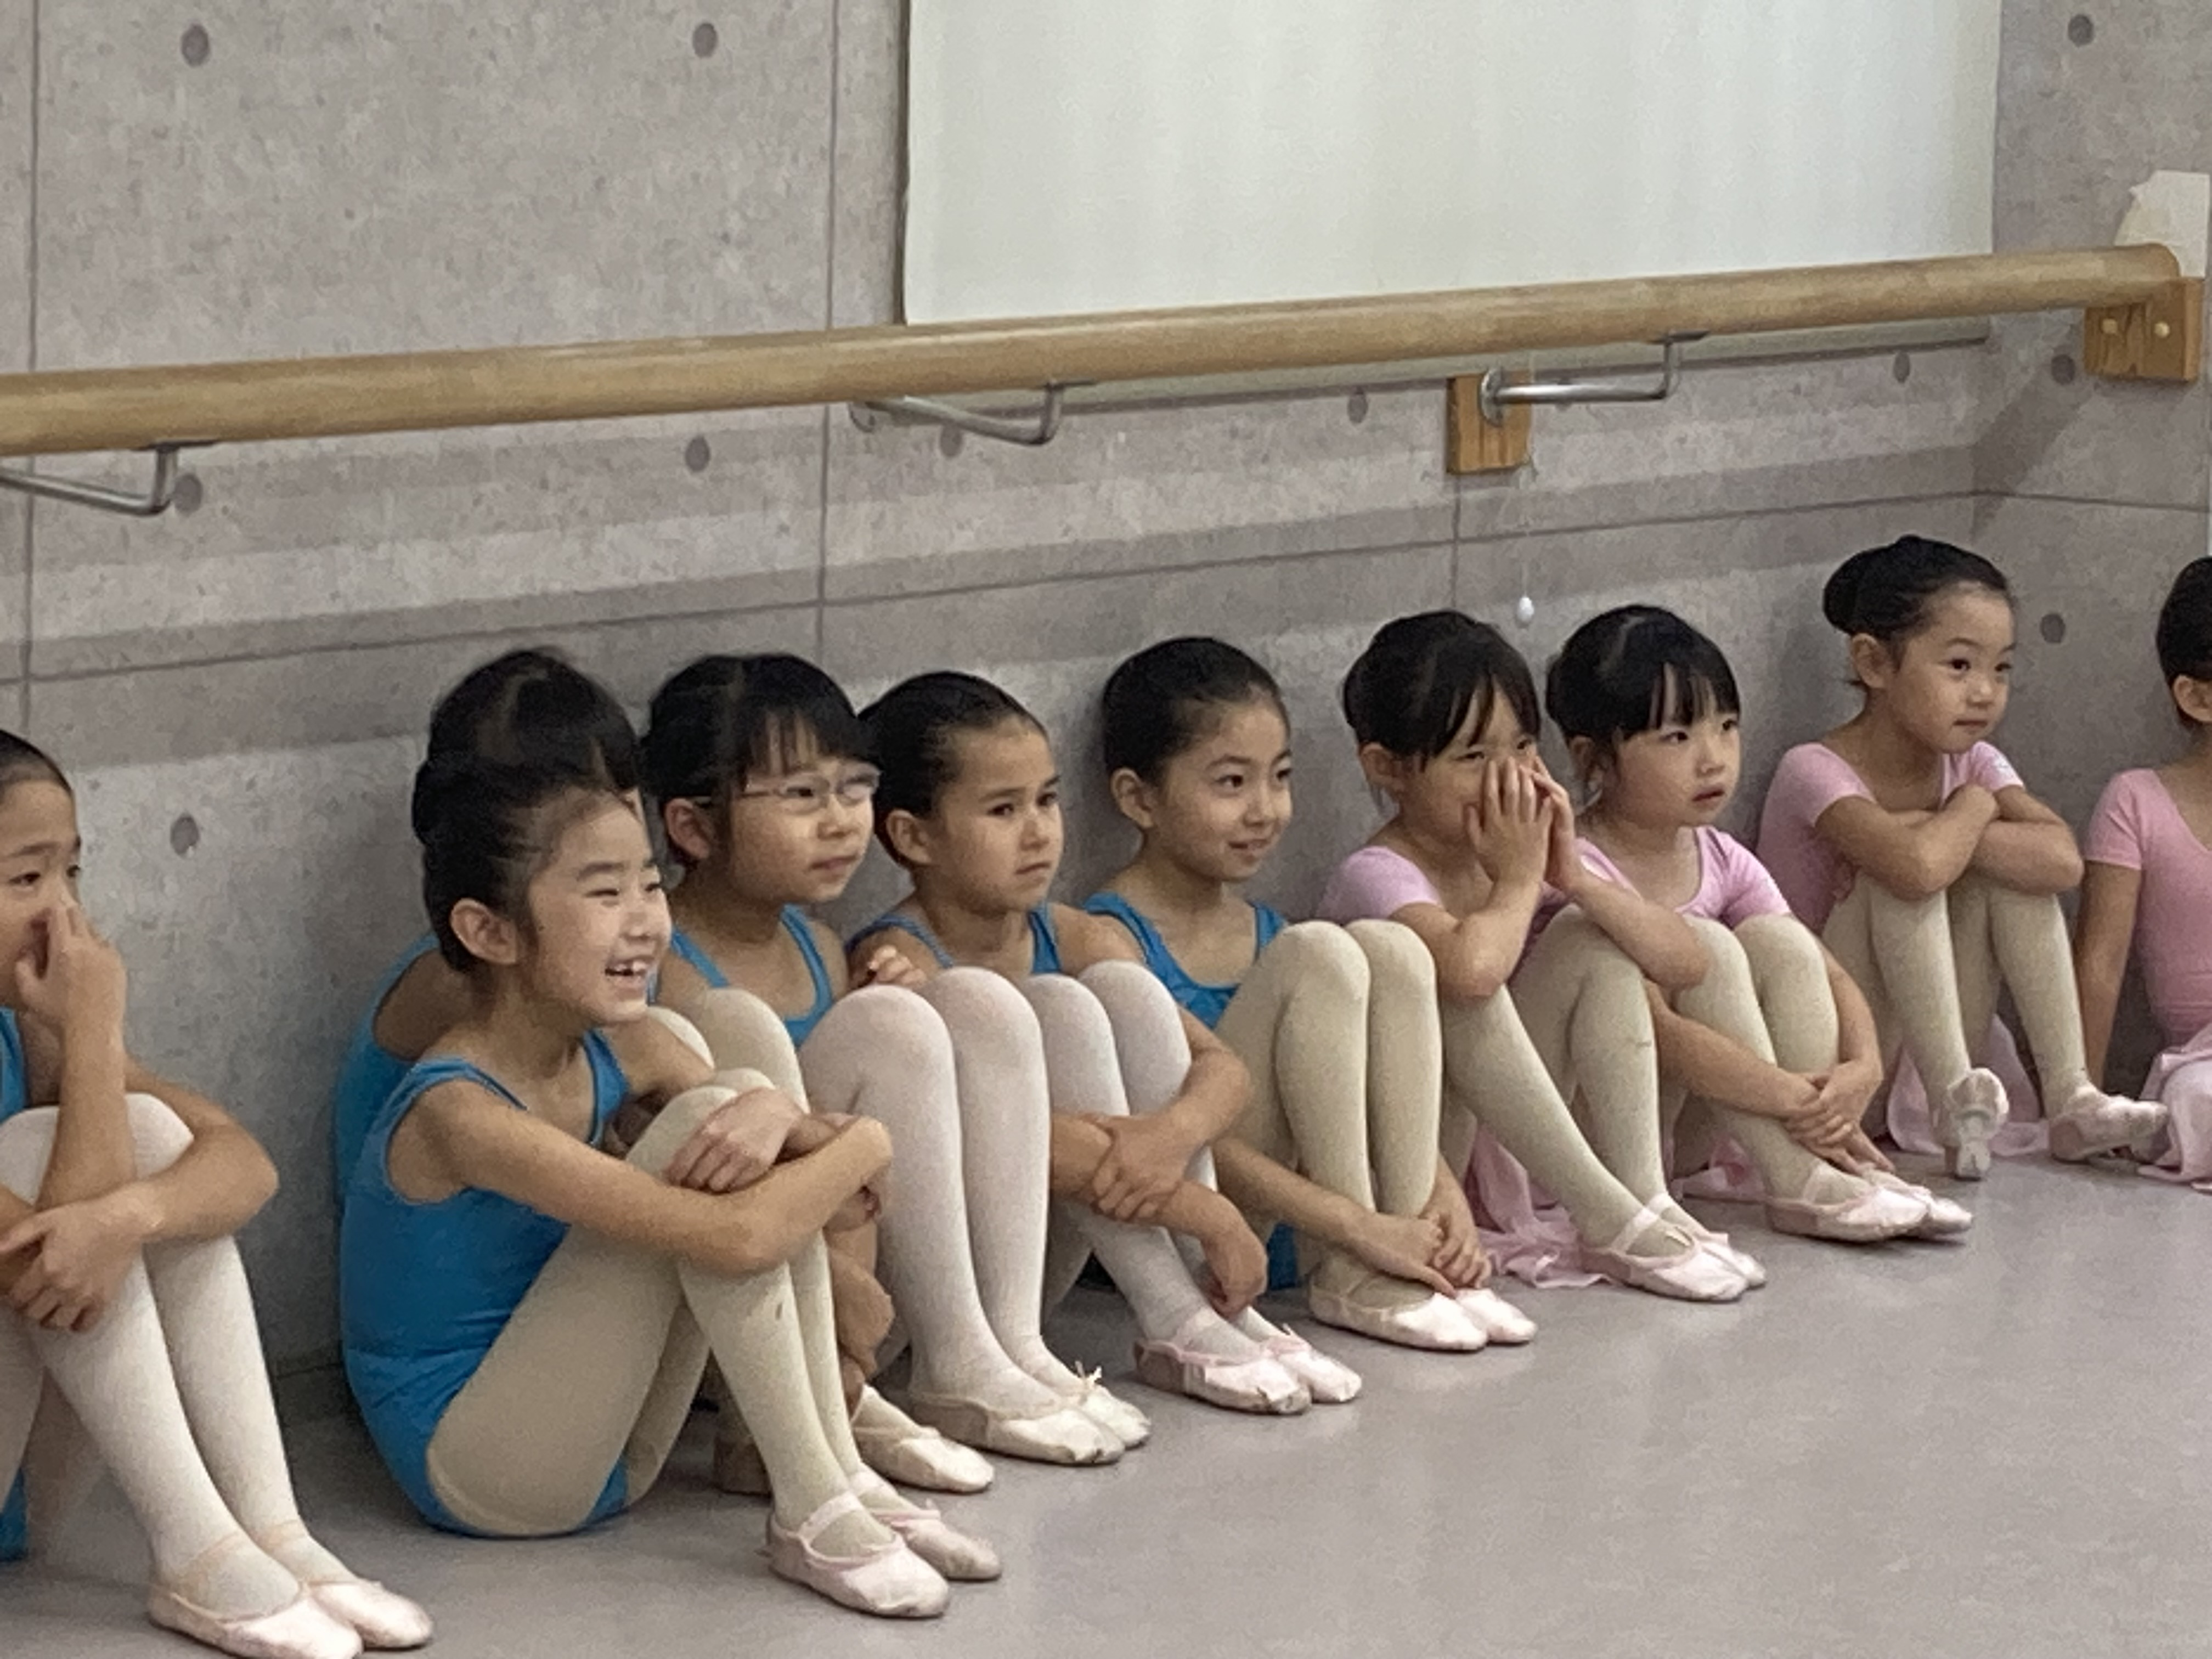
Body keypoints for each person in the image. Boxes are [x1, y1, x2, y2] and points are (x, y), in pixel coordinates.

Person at [340, 748, 992, 1618]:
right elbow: (742, 1236)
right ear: (490, 933)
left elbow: (829, 1192)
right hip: (487, 1474)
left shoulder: (631, 1043)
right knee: (713, 1122)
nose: (648, 922)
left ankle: (832, 1469)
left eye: (650, 886)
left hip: (618, 1444)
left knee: (734, 1081)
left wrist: (782, 1120)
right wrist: (865, 1139)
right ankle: (814, 1503)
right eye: (605, 893)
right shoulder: (458, 1112)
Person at [0, 730, 430, 1658]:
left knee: (153, 1138)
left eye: (72, 872)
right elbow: (49, 1268)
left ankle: (271, 1530)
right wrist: (93, 1030)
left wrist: (134, 1211)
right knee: (47, 1151)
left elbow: (243, 1165)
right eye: (25, 879)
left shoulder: (21, 1027)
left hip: (23, 1490)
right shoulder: (62, 1025)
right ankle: (195, 1547)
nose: (64, 913)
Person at [852, 669, 1359, 1412]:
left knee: (1116, 993)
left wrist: (1169, 1135)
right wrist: (1205, 1211)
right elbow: (1010, 1141)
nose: (1038, 832)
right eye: (1003, 810)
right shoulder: (900, 959)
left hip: (1058, 1252)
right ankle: (1172, 1310)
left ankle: (1200, 1306)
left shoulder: (1071, 932)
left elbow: (1221, 1069)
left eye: (1047, 800)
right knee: (1046, 1007)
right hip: (940, 1291)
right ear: (912, 836)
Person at [1091, 637, 1541, 1346]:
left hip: (1318, 1231)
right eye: (1231, 783)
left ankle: (1405, 1260)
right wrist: (1356, 1230)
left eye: (1280, 777)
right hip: (1208, 1234)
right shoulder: (1107, 940)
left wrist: (1438, 1198)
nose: (1266, 809)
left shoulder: (1271, 931)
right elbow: (1176, 1140)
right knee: (1323, 950)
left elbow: (1368, 1091)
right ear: (1138, 798)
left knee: (1391, 948)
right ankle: (1357, 1271)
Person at [1544, 604, 1966, 1241]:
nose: (1713, 759)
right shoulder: (1575, 866)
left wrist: (1862, 1066)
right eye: (1677, 738)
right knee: (1710, 944)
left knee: (1779, 942)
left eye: (1727, 727)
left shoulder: (1719, 855)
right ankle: (1800, 1172)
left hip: (1700, 1129)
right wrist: (1800, 1099)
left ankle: (1822, 1166)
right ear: (1593, 757)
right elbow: (1661, 1035)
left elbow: (1827, 973)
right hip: (1605, 1136)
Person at [1758, 536, 2163, 1177]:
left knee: (2010, 875)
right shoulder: (1813, 770)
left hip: (1933, 1039)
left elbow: (2062, 863)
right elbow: (1917, 868)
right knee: (1900, 877)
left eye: (2001, 669)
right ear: (1874, 663)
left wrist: (1952, 821)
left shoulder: (1972, 762)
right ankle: (1950, 1097)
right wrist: (1972, 810)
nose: (1985, 692)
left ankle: (2070, 1095)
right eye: (1959, 665)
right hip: (1833, 1059)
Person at [2076, 556, 2212, 1188]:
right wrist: (2078, 1100)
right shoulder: (2136, 800)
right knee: (2197, 1099)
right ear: (2198, 696)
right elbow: (2098, 965)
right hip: (2204, 1062)